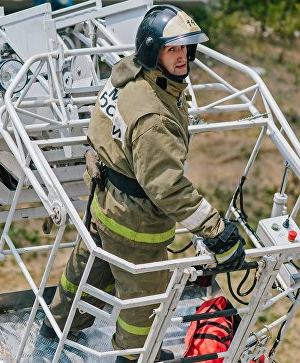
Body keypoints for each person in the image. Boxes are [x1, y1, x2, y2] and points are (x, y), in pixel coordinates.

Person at [40, 5, 246, 363]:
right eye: (173, 49)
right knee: (144, 298)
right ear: (154, 51)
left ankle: (58, 323)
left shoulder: (128, 74)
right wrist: (217, 232)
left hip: (104, 200)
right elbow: (166, 187)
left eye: (185, 48)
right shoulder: (153, 117)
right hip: (134, 224)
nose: (182, 57)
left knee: (88, 268)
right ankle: (133, 356)